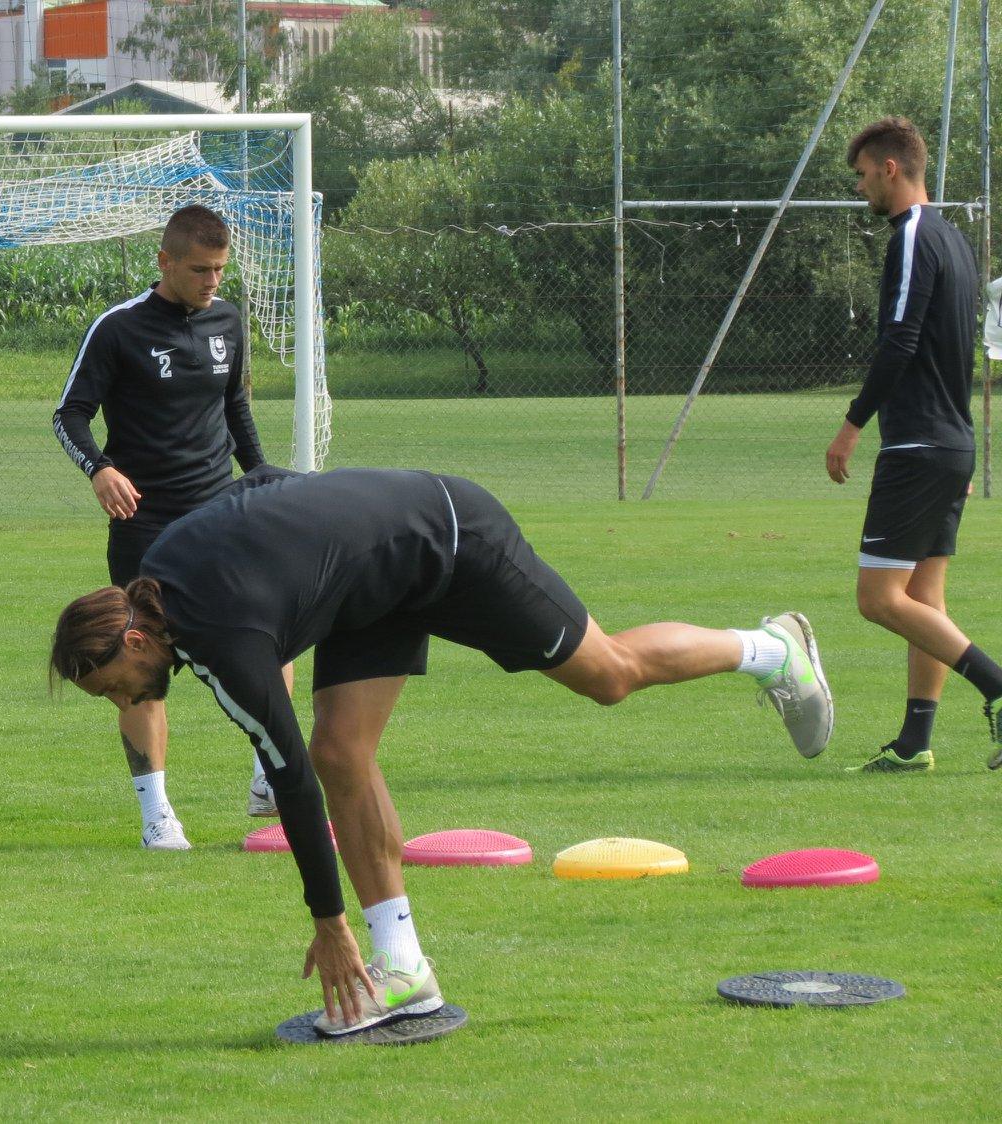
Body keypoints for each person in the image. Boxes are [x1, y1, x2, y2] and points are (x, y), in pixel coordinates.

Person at [49, 466, 832, 1035]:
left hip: (451, 538)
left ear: (136, 635)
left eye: (117, 685)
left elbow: (288, 787)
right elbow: (262, 483)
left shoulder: (223, 642)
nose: (128, 701)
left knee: (608, 674)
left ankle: (770, 648)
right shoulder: (162, 582)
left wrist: (328, 922)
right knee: (343, 753)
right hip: (369, 587)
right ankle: (405, 970)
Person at [52, 204, 277, 851]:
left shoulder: (228, 321)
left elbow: (235, 409)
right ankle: (158, 816)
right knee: (142, 668)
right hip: (144, 528)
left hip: (221, 520)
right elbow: (69, 415)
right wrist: (100, 469)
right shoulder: (118, 329)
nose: (212, 282)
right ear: (165, 262)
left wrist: (261, 479)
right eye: (201, 270)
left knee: (268, 635)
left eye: (220, 271)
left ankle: (269, 773)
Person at [827, 116, 1002, 773]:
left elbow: (898, 341)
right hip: (953, 442)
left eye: (865, 176)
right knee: (924, 601)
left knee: (878, 600)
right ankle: (913, 743)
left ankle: (998, 687)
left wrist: (852, 424)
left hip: (919, 445)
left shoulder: (913, 237)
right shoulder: (956, 241)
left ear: (891, 169)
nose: (864, 188)